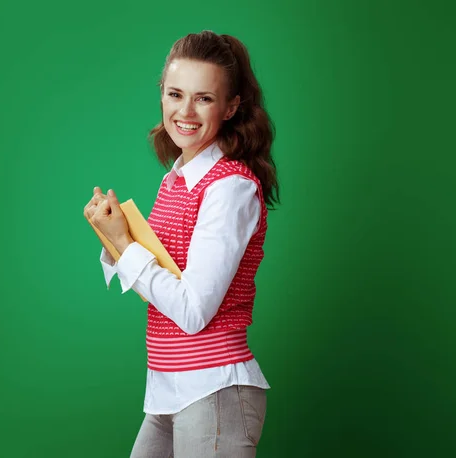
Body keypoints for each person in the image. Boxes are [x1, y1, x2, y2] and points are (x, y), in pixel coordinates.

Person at [83, 30, 279, 458]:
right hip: (170, 388)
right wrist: (113, 237)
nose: (185, 111)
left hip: (214, 390)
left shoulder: (230, 188)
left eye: (204, 98)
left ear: (231, 106)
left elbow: (192, 311)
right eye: (175, 94)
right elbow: (161, 283)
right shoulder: (175, 179)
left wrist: (125, 245)